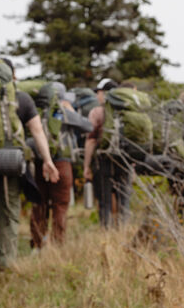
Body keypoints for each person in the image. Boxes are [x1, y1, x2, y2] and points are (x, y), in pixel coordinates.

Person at [0, 58, 59, 269]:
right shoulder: (21, 98)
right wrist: (48, 160)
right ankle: (6, 260)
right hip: (9, 161)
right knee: (9, 210)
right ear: (12, 74)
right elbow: (37, 131)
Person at [82, 79, 133, 227]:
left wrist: (86, 166)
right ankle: (123, 233)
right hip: (124, 161)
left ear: (103, 93)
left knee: (105, 202)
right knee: (124, 201)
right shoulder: (127, 111)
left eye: (98, 92)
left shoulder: (97, 112)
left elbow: (90, 141)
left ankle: (106, 236)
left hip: (103, 161)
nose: (97, 96)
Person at [30, 86, 76, 249]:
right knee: (60, 205)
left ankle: (37, 244)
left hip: (38, 163)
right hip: (62, 163)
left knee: (39, 204)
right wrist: (72, 111)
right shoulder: (64, 112)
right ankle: (58, 244)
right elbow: (87, 126)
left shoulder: (33, 110)